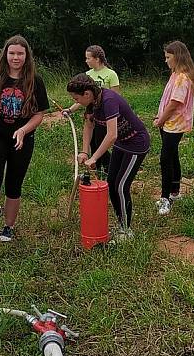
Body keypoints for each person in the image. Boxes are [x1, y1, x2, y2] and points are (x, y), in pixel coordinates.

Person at [0, 35, 49, 242]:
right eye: (12, 53)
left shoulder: (35, 81)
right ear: (5, 54)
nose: (15, 57)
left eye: (20, 53)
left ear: (27, 56)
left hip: (22, 140)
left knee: (13, 185)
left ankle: (8, 227)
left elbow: (39, 114)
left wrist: (24, 130)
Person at [66, 74, 150, 239]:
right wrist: (84, 151)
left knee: (120, 186)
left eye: (76, 98)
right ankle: (121, 224)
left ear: (87, 94)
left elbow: (111, 135)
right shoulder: (92, 103)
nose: (76, 102)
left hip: (136, 144)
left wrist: (94, 158)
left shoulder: (108, 100)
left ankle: (126, 231)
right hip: (122, 143)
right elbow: (89, 126)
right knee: (111, 184)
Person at [154, 41, 194, 216]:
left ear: (178, 57)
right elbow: (169, 100)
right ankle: (175, 193)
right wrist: (160, 117)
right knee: (172, 157)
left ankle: (165, 198)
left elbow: (175, 103)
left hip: (174, 125)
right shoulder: (175, 75)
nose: (166, 61)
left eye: (168, 57)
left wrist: (161, 120)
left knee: (165, 159)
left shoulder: (182, 77)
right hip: (168, 124)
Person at [64, 45, 120, 174]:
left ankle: (108, 169)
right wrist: (71, 110)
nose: (86, 61)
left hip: (106, 116)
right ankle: (97, 168)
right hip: (91, 115)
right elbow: (82, 99)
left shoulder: (110, 74)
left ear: (97, 59)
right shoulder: (87, 75)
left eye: (88, 58)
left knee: (101, 141)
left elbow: (116, 98)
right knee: (93, 142)